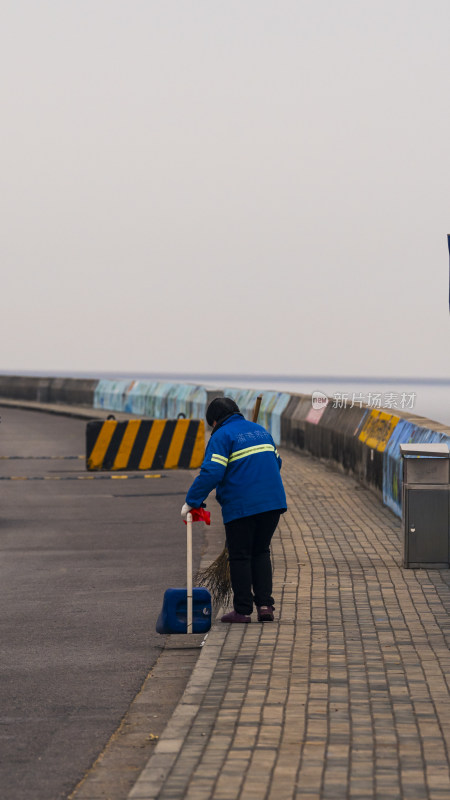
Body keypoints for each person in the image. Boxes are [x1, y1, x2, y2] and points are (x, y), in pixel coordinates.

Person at [181, 397, 287, 623]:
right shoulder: (260, 431)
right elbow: (277, 463)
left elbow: (213, 472)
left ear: (215, 421)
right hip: (273, 503)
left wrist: (192, 500)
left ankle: (242, 610)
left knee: (240, 556)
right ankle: (265, 606)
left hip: (242, 506)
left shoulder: (221, 436)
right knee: (261, 551)